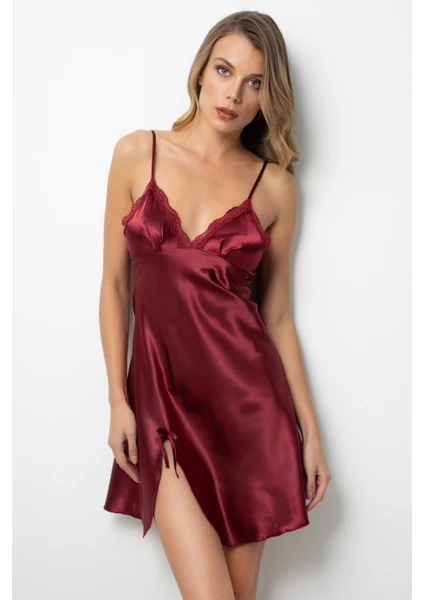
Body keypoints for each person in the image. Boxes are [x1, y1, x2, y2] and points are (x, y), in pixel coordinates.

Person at [99, 10, 331, 600]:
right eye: (225, 71)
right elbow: (115, 286)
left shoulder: (275, 186)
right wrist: (118, 400)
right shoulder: (137, 153)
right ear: (201, 70)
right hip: (163, 411)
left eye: (254, 82)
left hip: (250, 414)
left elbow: (277, 317)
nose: (233, 94)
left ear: (268, 96)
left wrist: (311, 433)